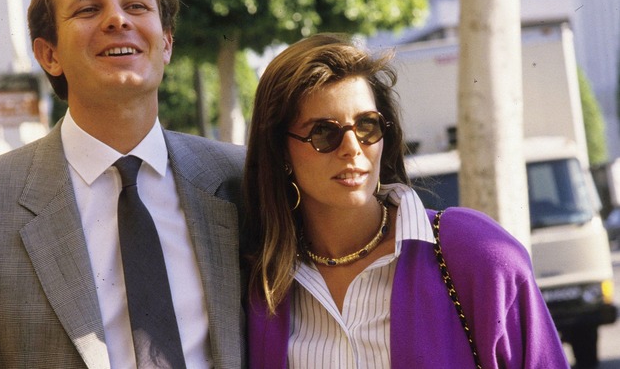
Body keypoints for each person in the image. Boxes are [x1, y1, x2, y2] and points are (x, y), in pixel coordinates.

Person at [0, 0, 245, 368]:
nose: (117, 20)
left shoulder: (240, 178)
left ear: (165, 42)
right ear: (49, 55)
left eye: (137, 6)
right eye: (89, 9)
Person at [242, 33, 569, 368]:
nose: (353, 148)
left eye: (367, 125)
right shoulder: (261, 287)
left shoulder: (479, 251)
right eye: (324, 132)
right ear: (280, 149)